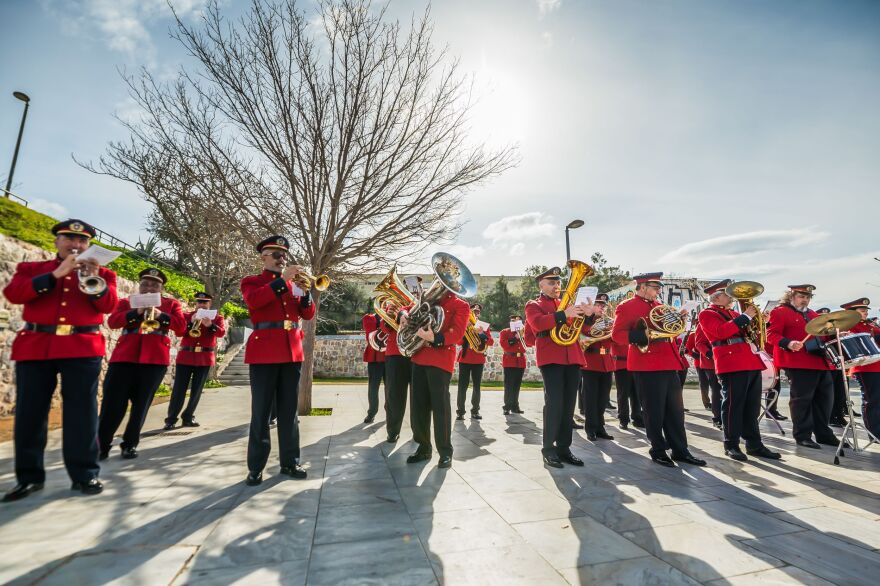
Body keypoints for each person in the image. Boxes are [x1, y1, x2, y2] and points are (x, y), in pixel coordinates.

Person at [2, 219, 118, 501]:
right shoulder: (32, 269)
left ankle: (85, 474)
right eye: (69, 239)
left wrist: (97, 282)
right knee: (30, 414)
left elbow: (109, 306)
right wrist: (56, 274)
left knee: (82, 414)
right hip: (37, 346)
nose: (75, 245)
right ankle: (29, 478)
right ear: (57, 241)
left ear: (88, 245)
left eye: (81, 241)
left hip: (82, 347)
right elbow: (13, 293)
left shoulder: (104, 274)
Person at [240, 235, 316, 485]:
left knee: (289, 411)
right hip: (264, 350)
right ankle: (256, 466)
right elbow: (255, 301)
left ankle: (290, 462)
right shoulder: (252, 282)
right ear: (263, 256)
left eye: (283, 254)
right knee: (261, 412)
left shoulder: (294, 284)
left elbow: (307, 313)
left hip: (291, 349)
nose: (281, 258)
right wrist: (283, 281)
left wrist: (306, 294)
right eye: (275, 254)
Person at [610, 272, 706, 468]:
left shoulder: (659, 307)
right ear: (643, 287)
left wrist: (678, 319)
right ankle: (658, 450)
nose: (658, 291)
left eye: (659, 288)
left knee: (676, 411)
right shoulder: (627, 306)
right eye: (655, 287)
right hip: (647, 363)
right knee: (654, 410)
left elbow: (670, 331)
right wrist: (643, 336)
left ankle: (680, 450)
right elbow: (618, 335)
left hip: (669, 361)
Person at [99, 268, 187, 460]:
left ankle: (130, 444)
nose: (149, 288)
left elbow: (181, 327)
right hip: (124, 359)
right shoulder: (126, 302)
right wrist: (135, 312)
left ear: (161, 288)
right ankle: (101, 444)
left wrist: (161, 316)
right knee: (112, 405)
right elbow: (113, 322)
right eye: (145, 284)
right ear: (140, 285)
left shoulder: (170, 304)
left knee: (141, 406)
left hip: (154, 361)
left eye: (154, 285)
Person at [525, 266, 600, 468]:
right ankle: (548, 449)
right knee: (554, 404)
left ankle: (564, 449)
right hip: (551, 358)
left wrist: (588, 314)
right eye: (551, 283)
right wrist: (563, 314)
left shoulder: (567, 303)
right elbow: (538, 324)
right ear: (541, 284)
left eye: (558, 282)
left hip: (573, 357)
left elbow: (585, 329)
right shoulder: (534, 304)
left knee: (568, 407)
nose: (556, 286)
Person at [697, 280, 780, 461]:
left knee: (751, 408)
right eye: (728, 294)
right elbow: (720, 332)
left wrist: (761, 321)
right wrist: (745, 317)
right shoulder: (707, 313)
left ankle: (754, 445)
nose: (732, 297)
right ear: (717, 297)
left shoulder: (734, 312)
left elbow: (752, 335)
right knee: (733, 406)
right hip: (731, 362)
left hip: (750, 360)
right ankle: (731, 444)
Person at [400, 284, 470, 469]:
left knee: (441, 408)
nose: (444, 285)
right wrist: (403, 316)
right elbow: (407, 309)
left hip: (440, 359)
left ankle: (445, 452)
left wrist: (435, 338)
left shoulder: (461, 305)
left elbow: (458, 333)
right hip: (419, 358)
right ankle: (424, 448)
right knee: (418, 408)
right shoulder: (428, 301)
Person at [767, 284, 841, 450]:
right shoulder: (779, 311)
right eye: (801, 296)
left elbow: (821, 334)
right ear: (791, 296)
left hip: (819, 362)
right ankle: (802, 435)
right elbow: (771, 335)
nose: (805, 300)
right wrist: (789, 343)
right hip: (797, 361)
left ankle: (823, 433)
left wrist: (835, 333)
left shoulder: (812, 314)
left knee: (825, 399)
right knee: (802, 400)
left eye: (807, 297)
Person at [164, 292, 226, 429]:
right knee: (179, 390)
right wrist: (190, 322)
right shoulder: (186, 316)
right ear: (196, 304)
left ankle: (188, 417)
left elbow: (221, 333)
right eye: (199, 302)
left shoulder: (217, 318)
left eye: (205, 302)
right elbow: (179, 333)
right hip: (186, 356)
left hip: (204, 358)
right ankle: (171, 419)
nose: (202, 304)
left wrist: (210, 325)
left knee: (196, 391)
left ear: (209, 304)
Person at [844, 298, 880, 440]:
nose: (865, 313)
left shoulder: (871, 324)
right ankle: (874, 433)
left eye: (866, 311)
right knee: (872, 400)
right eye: (862, 311)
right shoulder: (850, 326)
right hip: (866, 367)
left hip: (877, 365)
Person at [580, 293, 615, 441]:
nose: (602, 308)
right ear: (591, 306)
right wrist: (593, 322)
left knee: (602, 399)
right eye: (598, 305)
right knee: (590, 398)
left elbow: (615, 339)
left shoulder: (608, 322)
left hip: (606, 362)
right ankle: (590, 428)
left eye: (603, 306)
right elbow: (584, 333)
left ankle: (600, 427)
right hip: (591, 363)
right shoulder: (585, 321)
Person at [456, 303, 494, 421]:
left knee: (477, 386)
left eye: (477, 312)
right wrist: (464, 329)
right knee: (462, 386)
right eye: (473, 311)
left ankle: (475, 411)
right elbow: (458, 342)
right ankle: (460, 412)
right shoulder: (464, 324)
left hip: (478, 359)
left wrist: (481, 333)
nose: (475, 314)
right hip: (465, 358)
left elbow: (491, 342)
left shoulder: (483, 326)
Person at [380, 300, 411, 443]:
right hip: (395, 353)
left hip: (416, 354)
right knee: (394, 395)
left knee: (419, 397)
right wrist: (395, 314)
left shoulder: (422, 305)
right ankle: (393, 431)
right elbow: (385, 327)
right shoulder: (393, 305)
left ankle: (419, 432)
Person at [693, 321, 723, 428]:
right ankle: (717, 417)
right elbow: (699, 343)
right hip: (711, 363)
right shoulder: (703, 322)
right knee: (716, 389)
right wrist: (710, 354)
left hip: (729, 359)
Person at [499, 314, 527, 415]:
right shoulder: (505, 332)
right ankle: (507, 406)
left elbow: (527, 345)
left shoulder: (524, 332)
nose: (516, 322)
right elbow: (504, 345)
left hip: (520, 361)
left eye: (518, 321)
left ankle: (515, 406)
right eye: (514, 320)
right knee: (509, 385)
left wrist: (522, 336)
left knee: (517, 385)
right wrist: (515, 337)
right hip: (509, 360)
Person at [361, 310, 386, 424]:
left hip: (390, 357)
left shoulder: (395, 317)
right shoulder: (369, 318)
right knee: (373, 388)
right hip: (375, 357)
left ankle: (390, 412)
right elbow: (370, 336)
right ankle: (372, 413)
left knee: (390, 388)